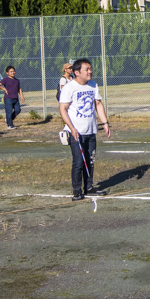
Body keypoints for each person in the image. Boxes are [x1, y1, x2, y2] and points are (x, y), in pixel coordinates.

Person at [59, 58, 111, 201]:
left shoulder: (93, 85)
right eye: (86, 69)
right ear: (77, 72)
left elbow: (98, 104)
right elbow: (62, 109)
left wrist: (105, 123)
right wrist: (71, 128)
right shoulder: (69, 88)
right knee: (79, 162)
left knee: (90, 160)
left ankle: (88, 188)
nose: (90, 71)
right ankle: (77, 190)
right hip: (76, 132)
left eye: (90, 68)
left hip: (90, 130)